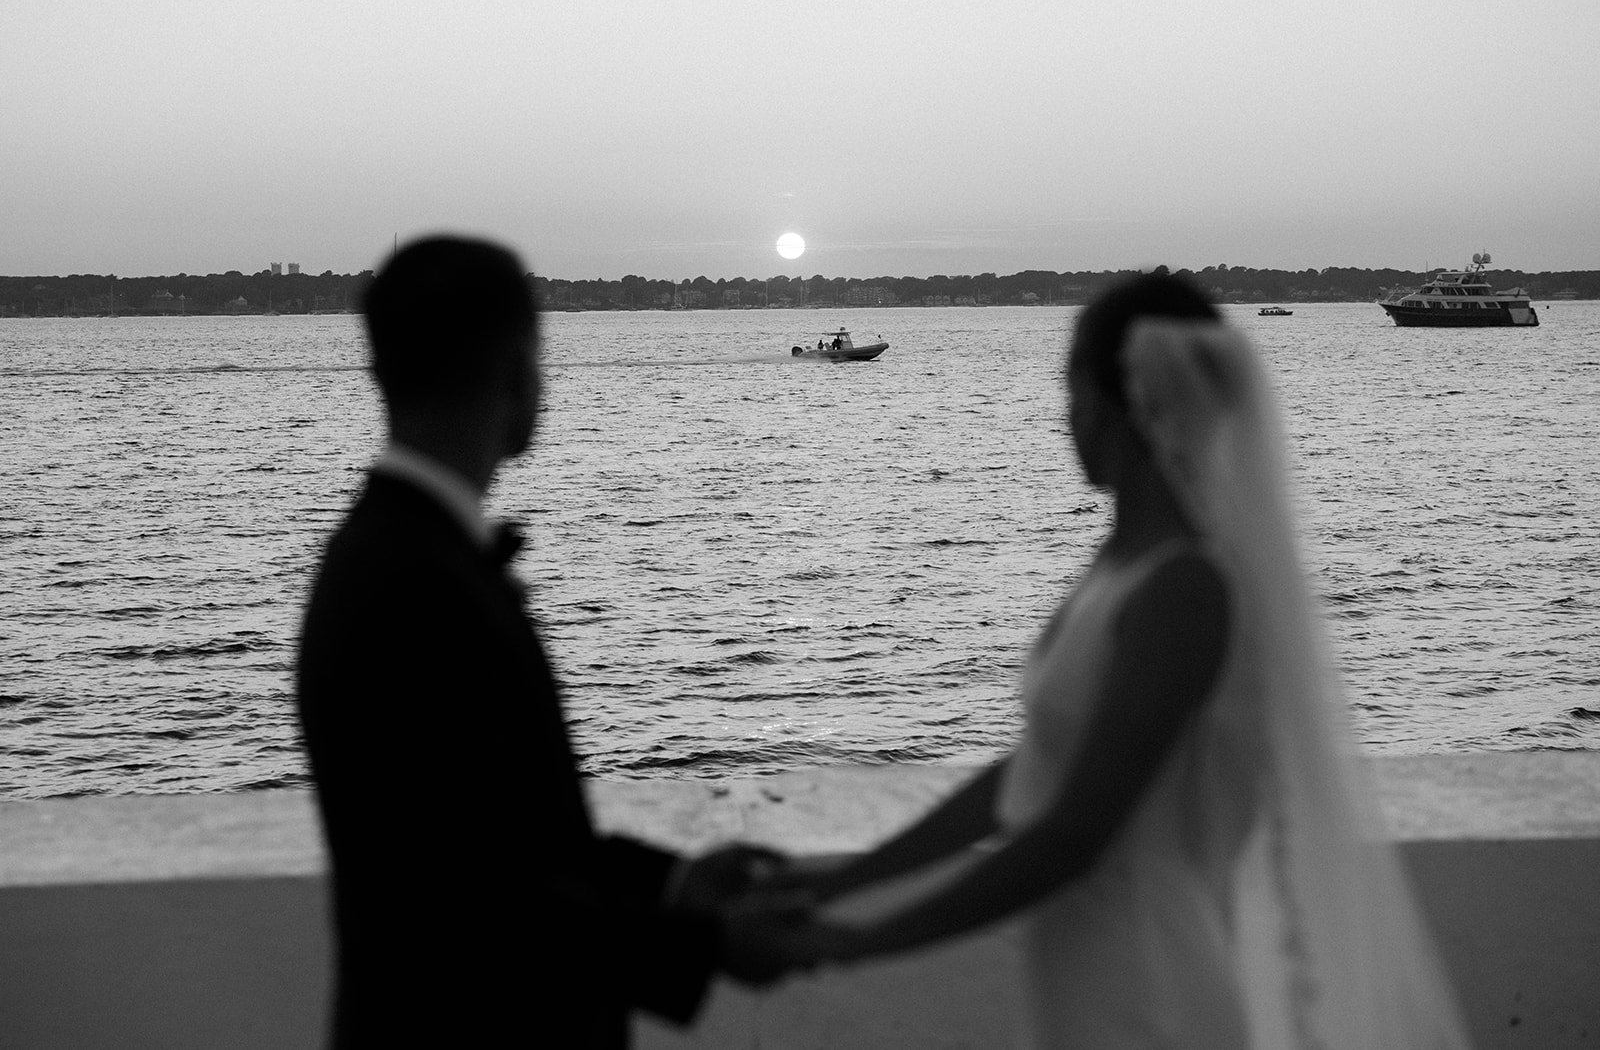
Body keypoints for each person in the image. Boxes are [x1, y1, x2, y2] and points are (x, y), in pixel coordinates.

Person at [777, 273, 1470, 1048]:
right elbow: (1035, 770)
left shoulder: (1187, 588)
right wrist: (842, 881)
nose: (1063, 413)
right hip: (1089, 985)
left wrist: (855, 942)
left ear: (1119, 400)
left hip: (1152, 994)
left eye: (1069, 384)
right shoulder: (1122, 564)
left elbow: (1076, 831)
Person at [296, 235, 794, 1048]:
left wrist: (675, 882)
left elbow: (507, 837)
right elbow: (471, 899)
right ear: (521, 370)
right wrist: (709, 944)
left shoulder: (394, 556)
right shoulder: (414, 582)